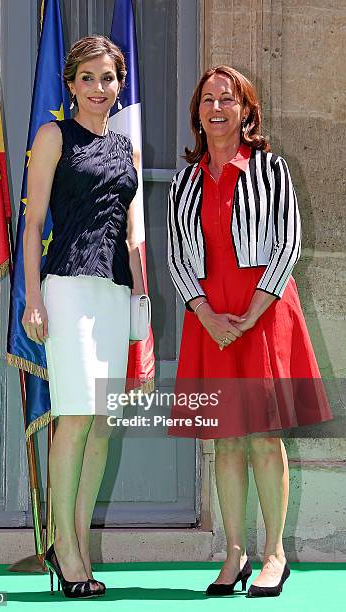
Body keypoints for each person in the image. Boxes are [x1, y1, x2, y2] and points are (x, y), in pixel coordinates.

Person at [167, 65, 332, 598]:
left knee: (264, 435)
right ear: (197, 112)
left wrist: (253, 313)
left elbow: (288, 242)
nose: (217, 108)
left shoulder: (271, 168)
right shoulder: (183, 180)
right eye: (208, 99)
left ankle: (275, 554)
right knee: (224, 439)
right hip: (210, 318)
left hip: (263, 312)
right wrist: (208, 315)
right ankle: (234, 552)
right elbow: (176, 253)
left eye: (228, 99)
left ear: (246, 111)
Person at [22, 35, 144, 599]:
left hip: (115, 295)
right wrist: (33, 297)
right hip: (67, 289)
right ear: (70, 85)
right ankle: (64, 548)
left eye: (109, 78)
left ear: (120, 86)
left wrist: (141, 301)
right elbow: (32, 223)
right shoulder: (53, 137)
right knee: (74, 416)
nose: (100, 88)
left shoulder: (126, 150)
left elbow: (131, 231)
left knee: (103, 423)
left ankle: (76, 539)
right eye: (88, 78)